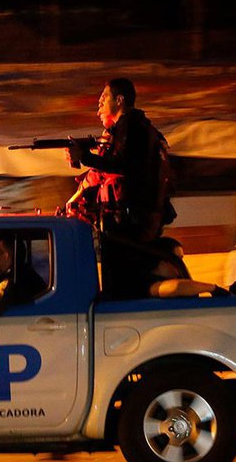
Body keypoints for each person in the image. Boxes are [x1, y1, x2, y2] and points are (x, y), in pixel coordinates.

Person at [64, 78, 175, 299]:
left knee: (123, 286)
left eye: (103, 100)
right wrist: (75, 196)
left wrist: (84, 157)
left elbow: (121, 165)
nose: (99, 108)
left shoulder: (131, 127)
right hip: (127, 221)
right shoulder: (127, 130)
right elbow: (101, 173)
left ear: (120, 100)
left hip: (131, 222)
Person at [147, 238, 229, 298]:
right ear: (163, 261)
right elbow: (176, 287)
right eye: (178, 259)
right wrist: (213, 288)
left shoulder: (176, 279)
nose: (181, 264)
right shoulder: (146, 282)